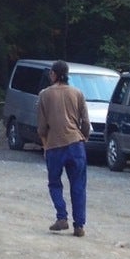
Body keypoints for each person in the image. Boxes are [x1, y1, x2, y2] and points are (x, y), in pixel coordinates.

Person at [37, 59, 89, 237]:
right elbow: (86, 122)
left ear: (53, 74)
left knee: (54, 183)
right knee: (78, 185)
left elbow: (42, 126)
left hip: (54, 145)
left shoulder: (44, 95)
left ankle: (62, 217)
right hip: (76, 145)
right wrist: (84, 137)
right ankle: (79, 225)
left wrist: (45, 144)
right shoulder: (78, 93)